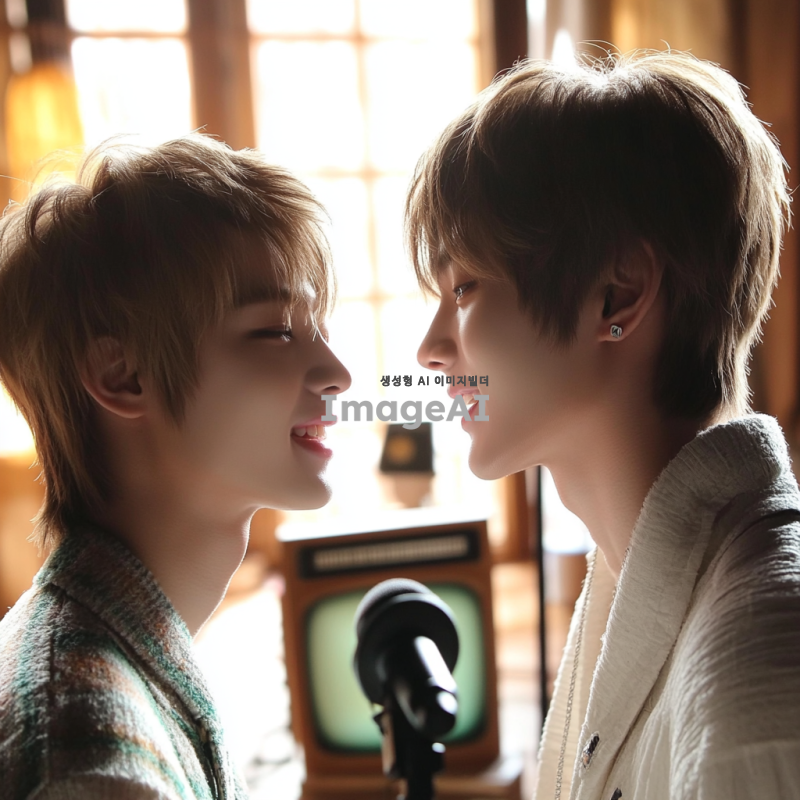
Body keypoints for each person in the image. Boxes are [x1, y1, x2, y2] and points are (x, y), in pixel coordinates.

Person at [407, 51, 800, 799]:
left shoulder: (762, 691)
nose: (430, 349)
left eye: (465, 288)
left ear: (618, 295)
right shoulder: (627, 576)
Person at [0, 135, 351, 799]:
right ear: (123, 374)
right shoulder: (95, 765)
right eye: (277, 330)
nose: (338, 373)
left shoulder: (113, 649)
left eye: (320, 328)